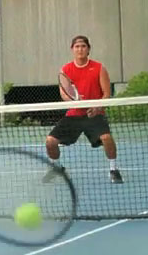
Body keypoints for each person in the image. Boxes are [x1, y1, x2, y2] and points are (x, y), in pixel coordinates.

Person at [44, 35, 124, 184]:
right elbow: (64, 93)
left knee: (107, 138)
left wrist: (96, 107)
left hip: (95, 115)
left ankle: (113, 169)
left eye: (83, 46)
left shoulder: (99, 68)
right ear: (72, 49)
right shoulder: (66, 69)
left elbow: (107, 94)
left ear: (88, 49)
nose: (80, 49)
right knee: (50, 141)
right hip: (74, 115)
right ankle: (57, 168)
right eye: (77, 46)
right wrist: (74, 102)